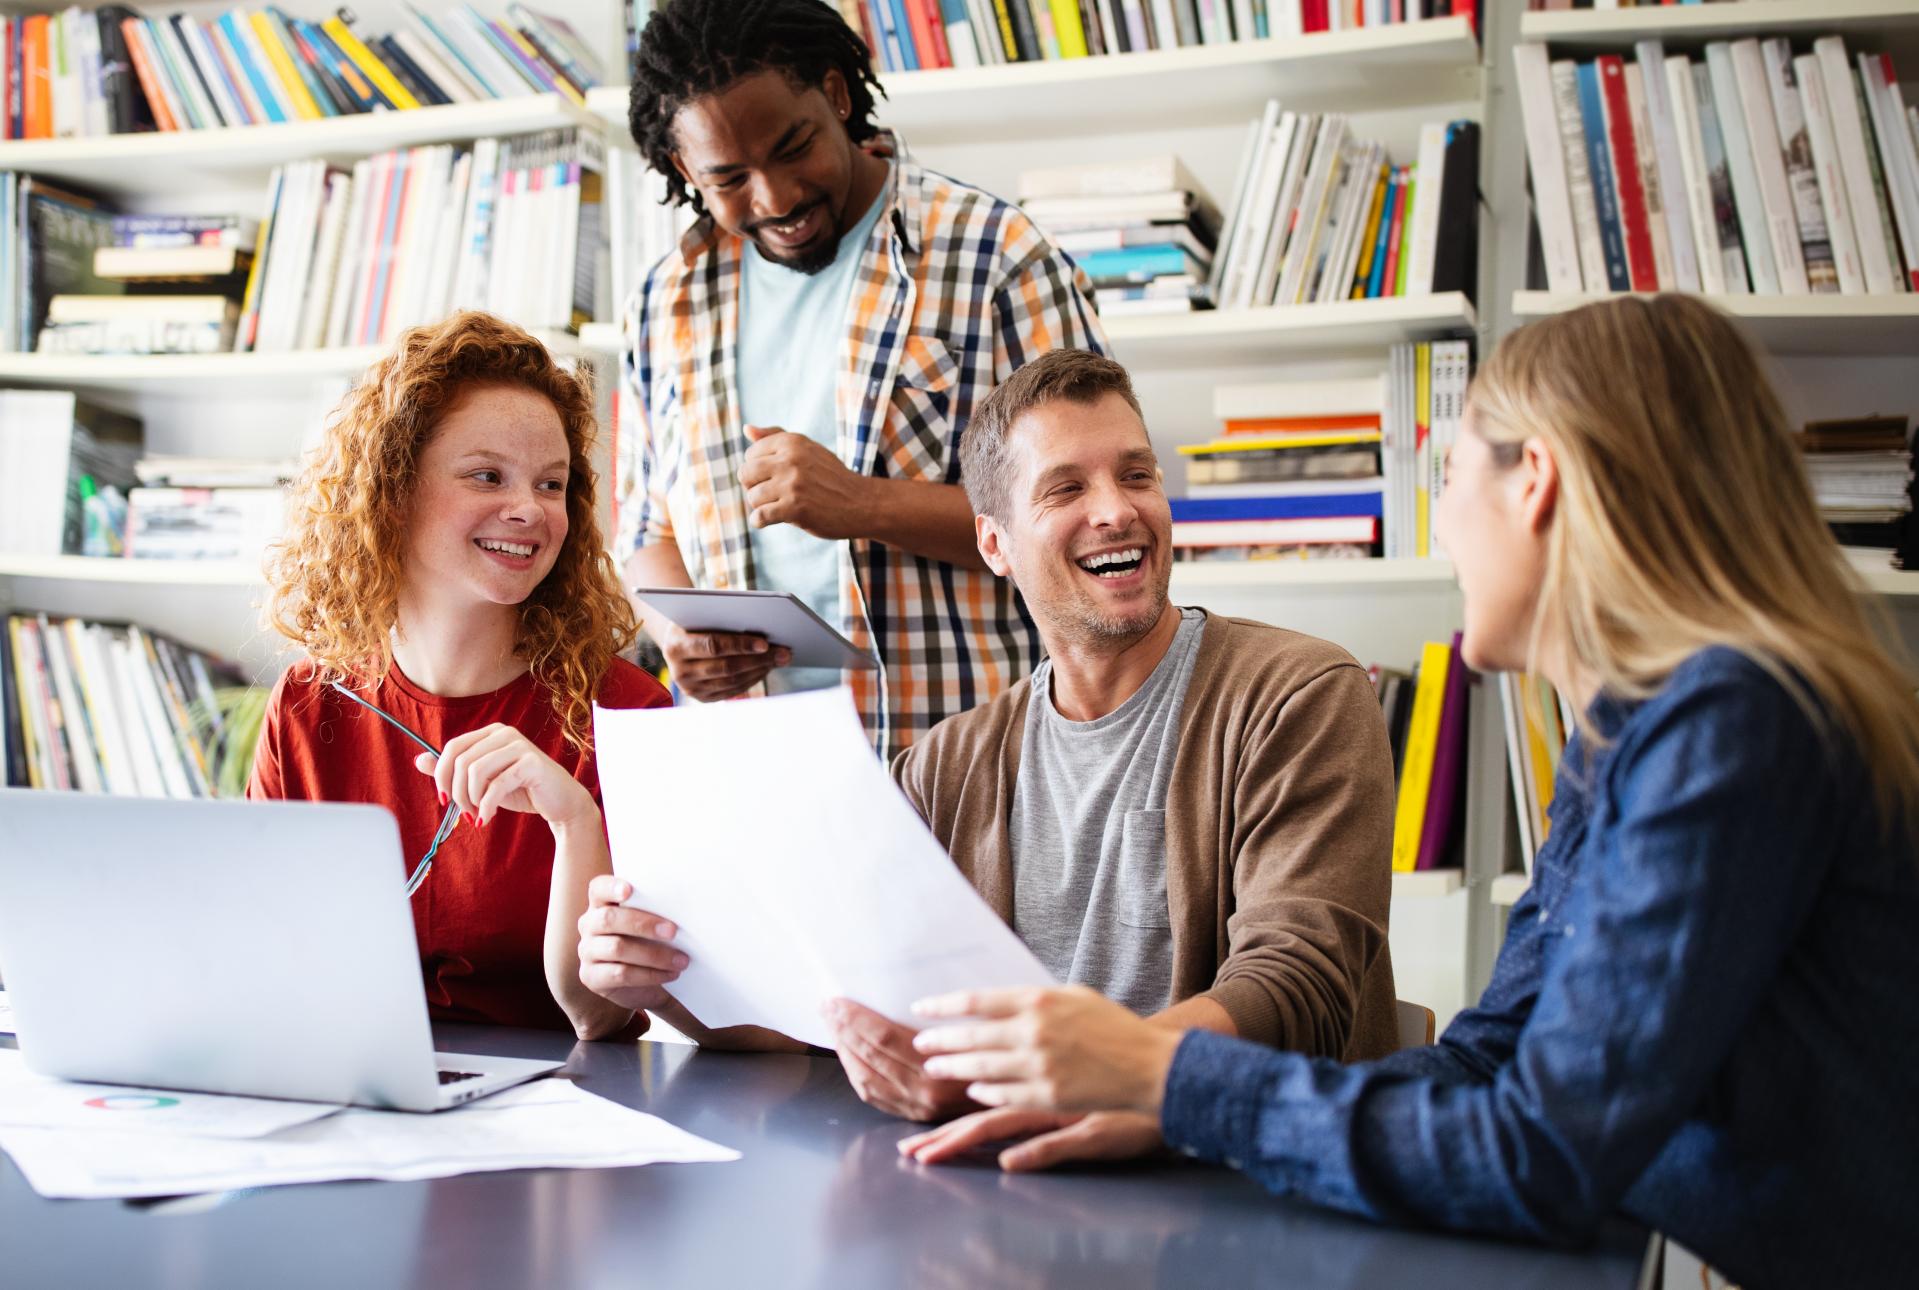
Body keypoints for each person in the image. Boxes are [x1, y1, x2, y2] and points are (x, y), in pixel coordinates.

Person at [897, 296, 1919, 1290]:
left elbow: (1539, 1156)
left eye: (1449, 473)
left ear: (1535, 486)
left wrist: (1162, 1077)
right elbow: (1485, 1062)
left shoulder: (1730, 728)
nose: (1441, 524)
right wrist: (1177, 1113)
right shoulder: (1630, 734)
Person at [577, 351, 1401, 1143]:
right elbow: (825, 1014)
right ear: (994, 545)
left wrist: (1048, 1078)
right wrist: (665, 979)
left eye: (1136, 474)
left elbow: (1297, 990)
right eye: (1066, 487)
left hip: (1234, 1189)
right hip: (999, 1192)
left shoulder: (1302, 693)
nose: (1116, 509)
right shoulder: (944, 767)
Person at [619, 0, 1107, 758]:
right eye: (730, 178)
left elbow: (1093, 521)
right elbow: (645, 529)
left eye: (793, 147)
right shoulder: (664, 300)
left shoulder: (995, 258)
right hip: (752, 764)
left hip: (961, 758)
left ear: (836, 96)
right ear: (686, 171)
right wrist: (674, 631)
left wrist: (864, 503)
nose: (776, 199)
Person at [251, 311, 670, 1042]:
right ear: (393, 490)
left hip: (564, 1111)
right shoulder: (306, 704)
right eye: (487, 475)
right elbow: (261, 950)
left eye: (551, 484)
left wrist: (575, 822)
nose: (528, 510)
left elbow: (602, 1016)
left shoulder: (629, 714)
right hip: (349, 1084)